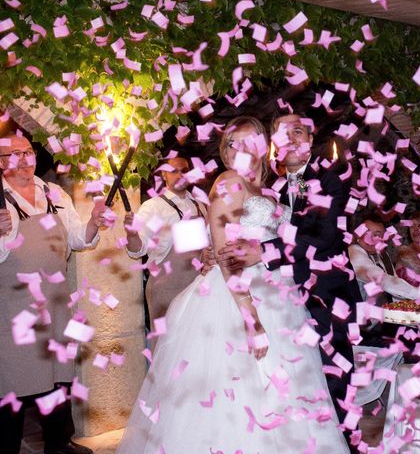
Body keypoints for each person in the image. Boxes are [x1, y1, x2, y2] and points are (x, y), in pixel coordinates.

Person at [117, 117, 348, 453]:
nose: (242, 149)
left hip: (282, 299)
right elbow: (228, 256)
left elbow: (309, 238)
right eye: (233, 143)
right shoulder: (228, 182)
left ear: (263, 146)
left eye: (250, 141)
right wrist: (252, 319)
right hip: (240, 300)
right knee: (240, 397)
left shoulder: (270, 189)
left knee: (286, 395)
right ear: (225, 153)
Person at [217, 112, 360, 433]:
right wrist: (215, 250)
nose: (291, 140)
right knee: (299, 391)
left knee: (336, 385)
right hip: (285, 303)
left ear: (310, 141)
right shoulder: (270, 190)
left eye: (298, 132)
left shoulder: (331, 179)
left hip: (327, 298)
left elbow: (325, 238)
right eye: (282, 134)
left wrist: (263, 252)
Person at [0, 133, 105, 454]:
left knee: (59, 376)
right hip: (12, 308)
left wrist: (94, 224)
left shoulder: (54, 192)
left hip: (56, 303)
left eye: (28, 152)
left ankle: (58, 443)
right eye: (14, 154)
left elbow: (76, 237)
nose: (24, 159)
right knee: (12, 383)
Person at [123, 155, 210, 335]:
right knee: (166, 344)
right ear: (164, 174)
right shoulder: (153, 206)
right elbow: (137, 250)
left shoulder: (200, 205)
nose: (180, 175)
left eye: (184, 171)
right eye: (174, 171)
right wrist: (131, 234)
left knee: (196, 342)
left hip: (198, 284)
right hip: (166, 288)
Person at [349, 214, 419, 304]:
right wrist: (419, 293)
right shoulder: (353, 251)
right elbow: (381, 279)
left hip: (385, 314)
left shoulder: (383, 255)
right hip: (360, 315)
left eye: (377, 235)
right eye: (366, 233)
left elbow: (394, 288)